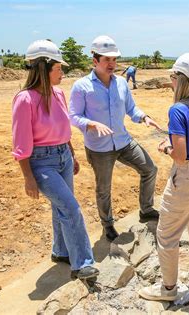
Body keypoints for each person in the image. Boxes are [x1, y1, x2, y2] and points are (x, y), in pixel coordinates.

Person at [12, 40, 98, 280]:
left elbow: (63, 128)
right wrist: (28, 177)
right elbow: (20, 142)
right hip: (41, 162)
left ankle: (61, 251)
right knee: (71, 208)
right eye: (59, 68)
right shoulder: (25, 99)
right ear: (44, 68)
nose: (62, 72)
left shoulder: (59, 93)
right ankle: (82, 264)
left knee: (61, 206)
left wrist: (71, 153)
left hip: (63, 156)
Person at [69, 35, 161, 242]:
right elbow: (73, 116)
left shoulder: (121, 83)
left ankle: (146, 209)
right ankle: (108, 224)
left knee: (150, 169)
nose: (112, 64)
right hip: (99, 147)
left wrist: (144, 117)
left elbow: (131, 108)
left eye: (114, 59)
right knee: (104, 188)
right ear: (95, 61)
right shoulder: (81, 86)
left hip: (123, 141)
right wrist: (91, 124)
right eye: (107, 60)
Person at [138, 53, 189, 301]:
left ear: (180, 79)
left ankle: (168, 289)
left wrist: (165, 148)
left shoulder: (177, 110)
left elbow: (180, 156)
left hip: (188, 175)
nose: (171, 80)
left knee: (167, 234)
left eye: (173, 76)